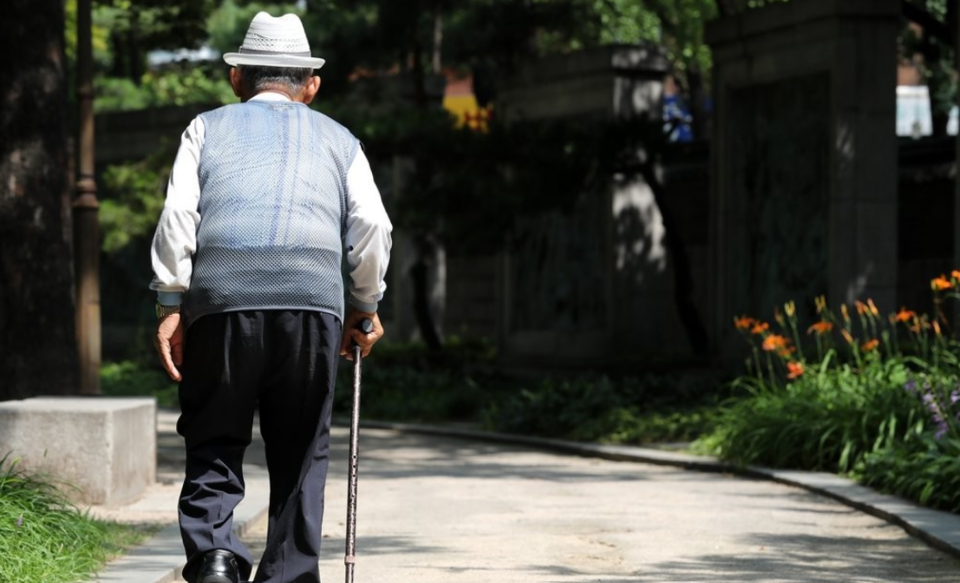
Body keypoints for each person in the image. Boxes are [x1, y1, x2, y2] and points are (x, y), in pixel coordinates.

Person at [149, 12, 392, 583]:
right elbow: (372, 226)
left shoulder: (205, 128)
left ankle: (214, 557)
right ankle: (288, 574)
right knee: (302, 448)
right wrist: (365, 303)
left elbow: (178, 216)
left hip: (220, 300)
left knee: (213, 432)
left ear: (237, 78)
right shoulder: (342, 141)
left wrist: (170, 303)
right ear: (311, 85)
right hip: (313, 303)